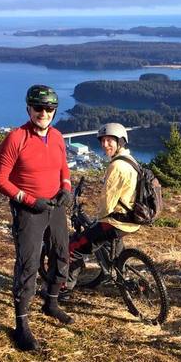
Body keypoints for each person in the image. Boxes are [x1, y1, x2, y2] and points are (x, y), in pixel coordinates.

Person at [0, 84, 74, 351]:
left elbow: (64, 168)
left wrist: (66, 188)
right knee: (28, 264)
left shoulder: (58, 137)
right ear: (28, 108)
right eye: (38, 107)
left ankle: (51, 302)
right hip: (29, 210)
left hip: (55, 207)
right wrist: (28, 200)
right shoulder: (16, 138)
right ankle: (22, 326)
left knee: (62, 254)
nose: (44, 113)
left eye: (49, 108)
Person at [63, 122, 140, 297]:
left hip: (116, 221)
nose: (105, 145)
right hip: (131, 220)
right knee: (111, 247)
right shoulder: (131, 160)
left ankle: (64, 289)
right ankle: (119, 273)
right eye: (103, 141)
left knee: (73, 247)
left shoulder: (116, 166)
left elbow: (107, 201)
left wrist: (98, 220)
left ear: (120, 141)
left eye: (110, 141)